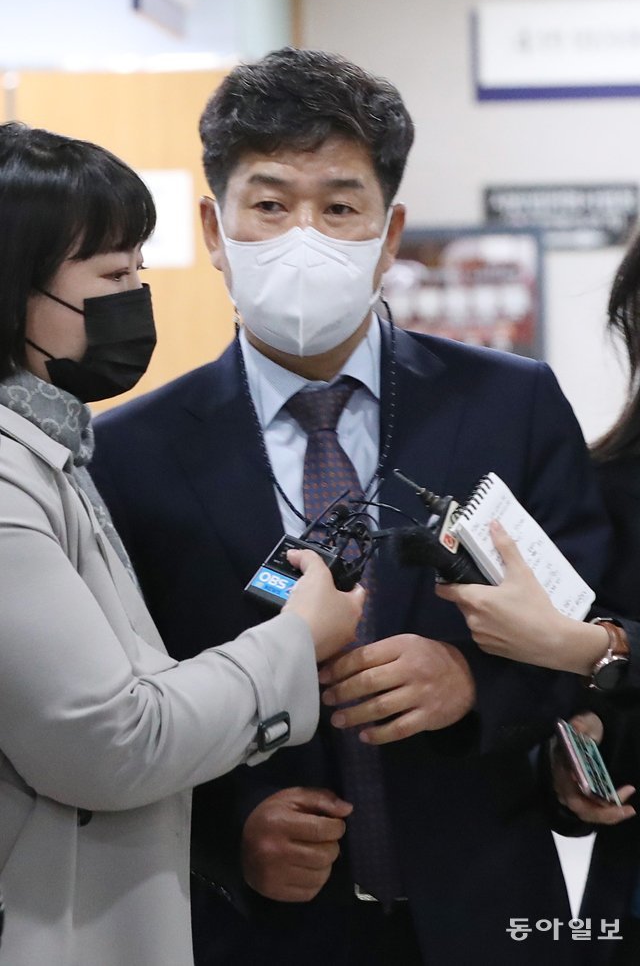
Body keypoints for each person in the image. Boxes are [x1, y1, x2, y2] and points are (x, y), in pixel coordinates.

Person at [91, 47, 610, 965]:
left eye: (338, 208)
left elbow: (600, 631)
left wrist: (472, 683)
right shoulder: (129, 454)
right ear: (214, 227)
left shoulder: (510, 405)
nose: (304, 236)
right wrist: (224, 833)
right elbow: (107, 710)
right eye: (269, 205)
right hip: (260, 931)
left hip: (488, 909)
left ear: (389, 231)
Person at [0, 121, 364, 966]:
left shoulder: (54, 451)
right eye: (112, 275)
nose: (136, 296)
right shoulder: (14, 476)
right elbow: (110, 740)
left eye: (140, 269)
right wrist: (295, 640)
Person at [437, 230, 640, 963]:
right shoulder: (606, 486)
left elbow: (592, 651)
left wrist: (599, 648)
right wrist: (568, 770)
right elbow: (586, 712)